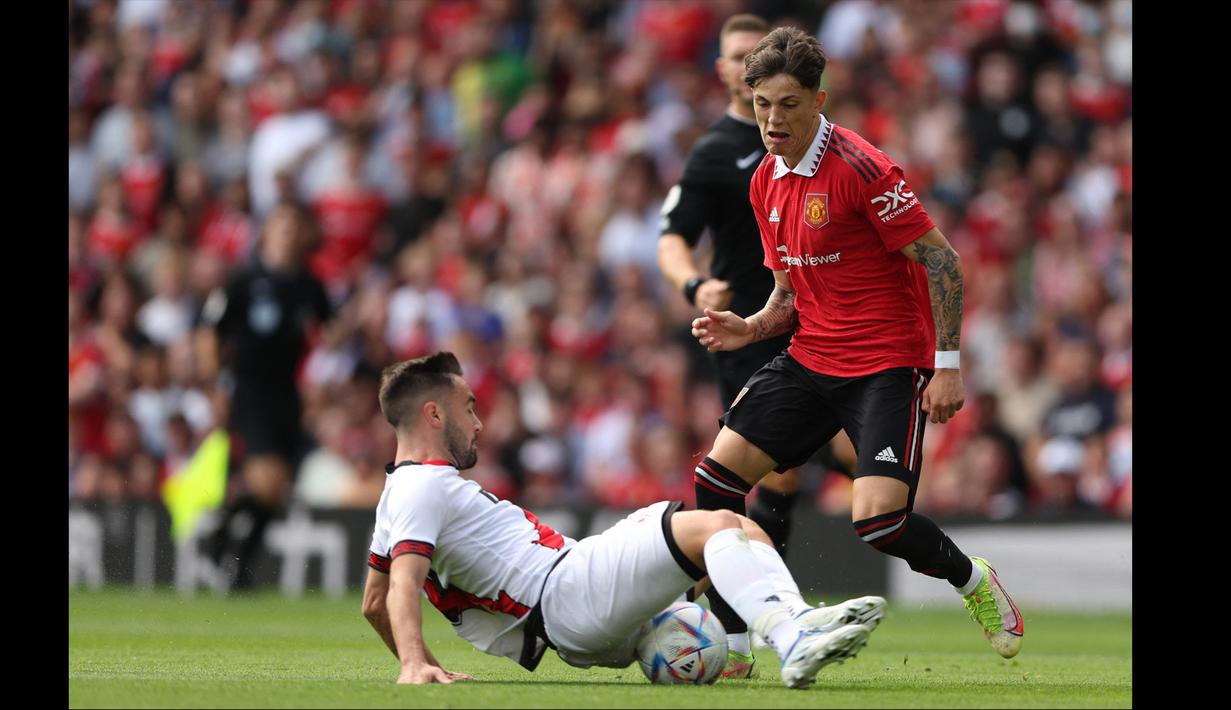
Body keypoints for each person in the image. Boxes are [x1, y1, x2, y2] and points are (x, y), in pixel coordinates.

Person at [688, 27, 1024, 659]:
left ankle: (973, 579)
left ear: (820, 99)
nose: (773, 119)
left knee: (877, 523)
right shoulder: (765, 181)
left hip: (887, 365)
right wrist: (749, 328)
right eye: (762, 104)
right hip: (811, 358)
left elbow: (945, 264)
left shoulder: (864, 169)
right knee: (713, 485)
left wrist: (947, 367)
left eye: (788, 104)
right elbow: (787, 296)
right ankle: (734, 640)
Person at [360, 352, 887, 689]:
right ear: (434, 415)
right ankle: (790, 643)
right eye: (468, 408)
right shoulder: (423, 484)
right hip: (565, 593)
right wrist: (413, 663)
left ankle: (793, 618)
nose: (477, 422)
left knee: (733, 523)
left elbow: (374, 602)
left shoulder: (398, 494)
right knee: (713, 527)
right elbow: (402, 585)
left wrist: (424, 658)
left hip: (573, 596)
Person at [657, 14, 854, 677]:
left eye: (756, 54)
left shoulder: (813, 147)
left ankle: (736, 606)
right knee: (768, 471)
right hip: (744, 329)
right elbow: (671, 235)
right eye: (738, 57)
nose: (749, 67)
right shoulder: (715, 151)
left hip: (815, 322)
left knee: (793, 470)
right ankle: (748, 626)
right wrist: (693, 286)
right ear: (724, 71)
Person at [197, 201, 336, 590]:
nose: (289, 231)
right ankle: (225, 544)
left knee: (277, 489)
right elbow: (210, 330)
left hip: (287, 391)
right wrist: (214, 385)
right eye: (282, 223)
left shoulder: (309, 284)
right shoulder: (243, 279)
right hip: (250, 387)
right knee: (267, 480)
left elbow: (327, 334)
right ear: (268, 232)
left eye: (295, 224)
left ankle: (230, 555)